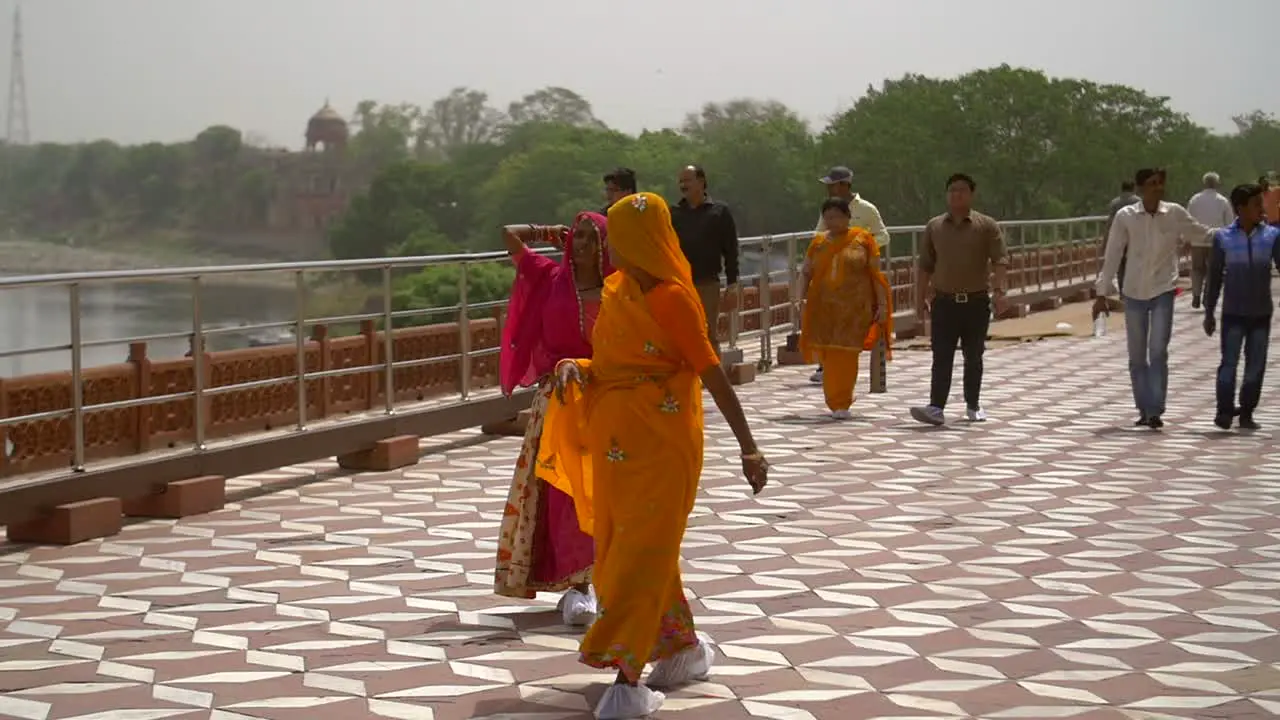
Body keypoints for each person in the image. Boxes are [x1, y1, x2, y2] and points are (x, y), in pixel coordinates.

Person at [539, 192, 768, 719]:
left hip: (663, 447)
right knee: (627, 552)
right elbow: (612, 363)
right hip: (617, 446)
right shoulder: (619, 292)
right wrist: (578, 364)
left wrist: (749, 447)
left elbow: (712, 375)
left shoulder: (672, 299)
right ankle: (683, 650)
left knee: (643, 555)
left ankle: (627, 679)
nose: (610, 249)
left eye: (617, 238)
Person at [492, 213, 614, 626]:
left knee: (603, 490)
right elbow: (510, 235)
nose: (580, 243)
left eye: (590, 237)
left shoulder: (618, 290)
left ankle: (605, 578)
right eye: (576, 235)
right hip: (559, 399)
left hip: (606, 398)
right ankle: (576, 585)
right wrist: (545, 232)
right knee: (562, 491)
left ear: (605, 245)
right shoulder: (549, 277)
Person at [1093, 168, 1213, 429]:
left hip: (1163, 289)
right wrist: (1101, 293)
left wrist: (1234, 235)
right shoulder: (1126, 217)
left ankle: (1156, 409)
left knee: (1158, 351)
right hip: (1133, 291)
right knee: (1137, 355)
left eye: (1160, 183)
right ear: (1139, 189)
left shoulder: (1174, 213)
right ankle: (1144, 408)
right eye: (1152, 184)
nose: (1158, 188)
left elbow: (1199, 233)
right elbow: (1113, 253)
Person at [910, 173, 1008, 426]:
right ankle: (936, 407)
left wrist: (1000, 292)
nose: (956, 195)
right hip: (944, 302)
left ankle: (973, 404)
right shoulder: (934, 227)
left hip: (975, 301)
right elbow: (925, 265)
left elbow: (1000, 261)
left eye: (962, 190)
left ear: (971, 194)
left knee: (973, 355)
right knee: (941, 355)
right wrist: (919, 299)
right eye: (952, 190)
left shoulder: (986, 226)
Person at [800, 197, 893, 419]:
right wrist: (799, 299)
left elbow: (875, 275)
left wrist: (881, 304)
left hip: (854, 309)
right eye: (828, 217)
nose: (833, 221)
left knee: (848, 354)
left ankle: (843, 400)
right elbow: (806, 272)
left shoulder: (863, 240)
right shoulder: (819, 243)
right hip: (823, 307)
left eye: (837, 216)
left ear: (847, 217)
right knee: (829, 354)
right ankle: (833, 400)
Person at [1203, 183, 1280, 430]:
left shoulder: (1272, 237)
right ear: (1240, 209)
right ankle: (1224, 411)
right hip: (1233, 313)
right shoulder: (1222, 238)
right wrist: (1209, 311)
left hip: (1261, 313)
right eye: (1256, 204)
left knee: (1255, 365)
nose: (1261, 208)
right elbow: (1214, 277)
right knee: (1229, 363)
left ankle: (1246, 411)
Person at [809, 166, 890, 384]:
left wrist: (861, 245)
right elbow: (818, 234)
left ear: (844, 185)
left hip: (858, 278)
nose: (828, 189)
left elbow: (883, 235)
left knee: (853, 322)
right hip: (832, 275)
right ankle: (825, 366)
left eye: (831, 185)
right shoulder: (828, 210)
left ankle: (847, 363)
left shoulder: (867, 210)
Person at [671, 165, 741, 357]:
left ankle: (713, 382)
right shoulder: (674, 214)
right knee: (679, 334)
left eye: (688, 180)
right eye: (681, 181)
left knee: (707, 334)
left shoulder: (719, 212)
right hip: (679, 284)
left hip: (707, 283)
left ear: (701, 182)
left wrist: (733, 283)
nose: (683, 185)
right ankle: (687, 380)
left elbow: (731, 250)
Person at [1186, 172, 1233, 309]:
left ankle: (1196, 294)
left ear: (1204, 183)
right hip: (1215, 240)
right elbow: (1229, 223)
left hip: (1197, 240)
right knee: (1212, 271)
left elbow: (1187, 219)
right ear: (1217, 184)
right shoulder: (1222, 201)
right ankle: (1207, 296)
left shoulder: (1194, 200)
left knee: (1196, 269)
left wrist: (1187, 238)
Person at [1103, 180, 1140, 296]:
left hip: (1118, 237)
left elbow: (1110, 222)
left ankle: (1122, 292)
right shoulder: (1138, 202)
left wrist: (1106, 240)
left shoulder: (1115, 203)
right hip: (1134, 238)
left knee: (1120, 266)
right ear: (1133, 188)